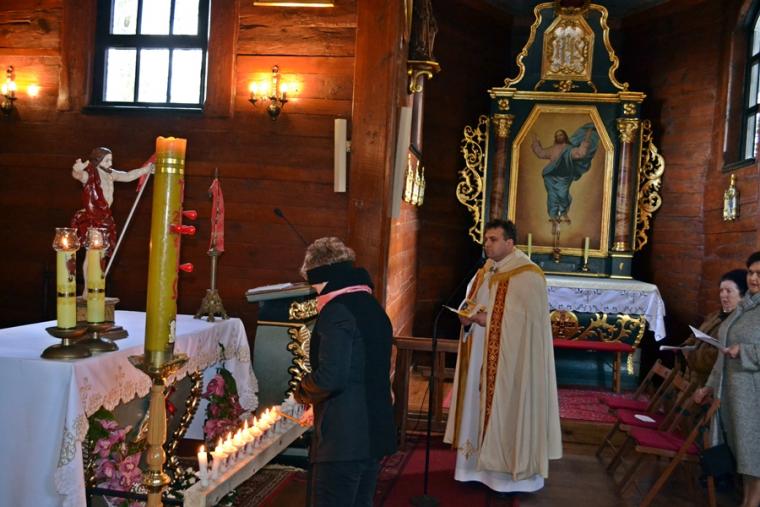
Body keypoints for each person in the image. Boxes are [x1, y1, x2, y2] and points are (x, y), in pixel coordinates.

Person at [443, 219, 562, 493]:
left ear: (510, 243)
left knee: (508, 413)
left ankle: (509, 480)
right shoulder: (484, 271)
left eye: (493, 239)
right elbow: (471, 304)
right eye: (486, 239)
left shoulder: (528, 276)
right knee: (476, 407)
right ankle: (473, 471)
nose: (487, 244)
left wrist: (488, 320)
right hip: (479, 357)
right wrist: (467, 319)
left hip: (513, 365)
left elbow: (528, 324)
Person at [293, 237, 396, 507]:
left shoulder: (337, 311)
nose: (314, 293)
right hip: (372, 432)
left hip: (344, 438)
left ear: (321, 276)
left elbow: (332, 377)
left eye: (314, 285)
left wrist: (303, 390)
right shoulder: (371, 305)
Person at [695, 252, 760, 507]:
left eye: (759, 274)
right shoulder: (745, 307)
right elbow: (722, 352)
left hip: (753, 394)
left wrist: (744, 351)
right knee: (743, 455)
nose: (753, 278)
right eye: (751, 272)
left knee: (754, 456)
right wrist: (709, 386)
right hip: (734, 393)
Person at [70, 147, 153, 254]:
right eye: (107, 160)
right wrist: (77, 170)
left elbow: (127, 176)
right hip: (93, 217)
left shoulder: (110, 174)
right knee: (93, 252)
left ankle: (97, 265)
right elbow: (79, 176)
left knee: (101, 251)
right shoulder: (91, 174)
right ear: (98, 160)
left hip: (105, 217)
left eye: (111, 160)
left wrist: (145, 170)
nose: (110, 163)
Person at [679, 269, 747, 385]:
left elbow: (719, 357)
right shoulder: (715, 315)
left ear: (743, 295)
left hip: (708, 385)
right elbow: (695, 335)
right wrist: (685, 346)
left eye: (728, 291)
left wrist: (691, 355)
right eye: (721, 290)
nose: (723, 295)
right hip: (690, 378)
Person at [531, 124, 599, 223]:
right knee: (552, 196)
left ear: (565, 136)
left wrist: (587, 138)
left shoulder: (569, 149)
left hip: (563, 177)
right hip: (550, 175)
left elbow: (580, 153)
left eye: (561, 135)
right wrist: (535, 141)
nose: (559, 137)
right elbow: (540, 153)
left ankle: (563, 212)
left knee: (563, 196)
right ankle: (553, 215)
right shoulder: (552, 149)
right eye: (557, 135)